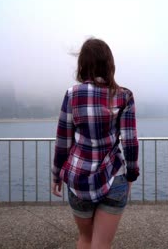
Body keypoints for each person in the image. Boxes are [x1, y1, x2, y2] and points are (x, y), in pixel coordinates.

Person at [52, 38, 139, 249]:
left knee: (85, 239)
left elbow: (63, 140)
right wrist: (131, 175)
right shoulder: (124, 96)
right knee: (101, 244)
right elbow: (130, 142)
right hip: (113, 177)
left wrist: (57, 175)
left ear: (83, 64)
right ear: (110, 64)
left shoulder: (72, 95)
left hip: (78, 179)